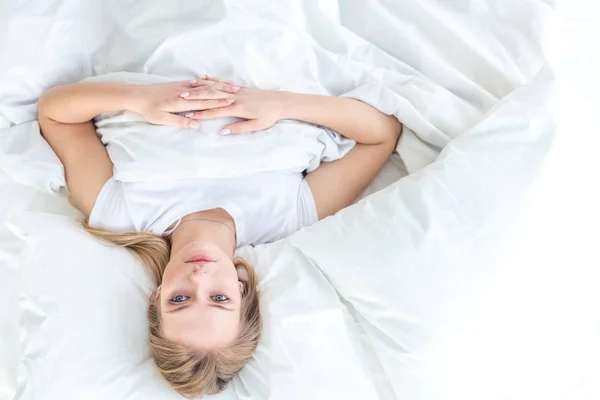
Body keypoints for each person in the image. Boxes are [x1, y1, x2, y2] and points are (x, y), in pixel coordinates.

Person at [37, 76, 401, 397]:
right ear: (242, 292)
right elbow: (380, 134)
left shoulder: (119, 213)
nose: (198, 278)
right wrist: (282, 103)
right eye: (218, 297)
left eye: (179, 299)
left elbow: (55, 113)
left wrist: (139, 97)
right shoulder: (289, 219)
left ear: (155, 298)